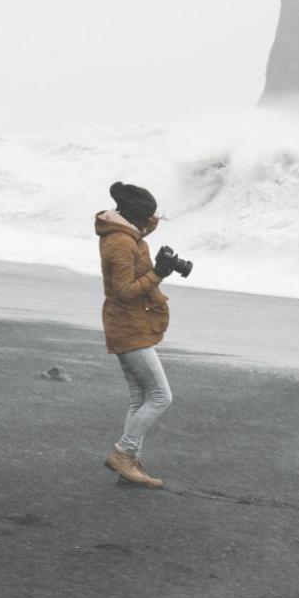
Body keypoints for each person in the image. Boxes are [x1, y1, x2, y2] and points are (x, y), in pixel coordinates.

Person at [95, 181, 179, 489]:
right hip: (127, 325)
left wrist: (151, 220)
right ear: (137, 218)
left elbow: (139, 232)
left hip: (126, 324)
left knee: (139, 397)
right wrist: (159, 273)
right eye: (149, 216)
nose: (151, 222)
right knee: (160, 397)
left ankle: (129, 465)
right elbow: (125, 292)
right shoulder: (120, 243)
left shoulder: (124, 233)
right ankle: (122, 453)